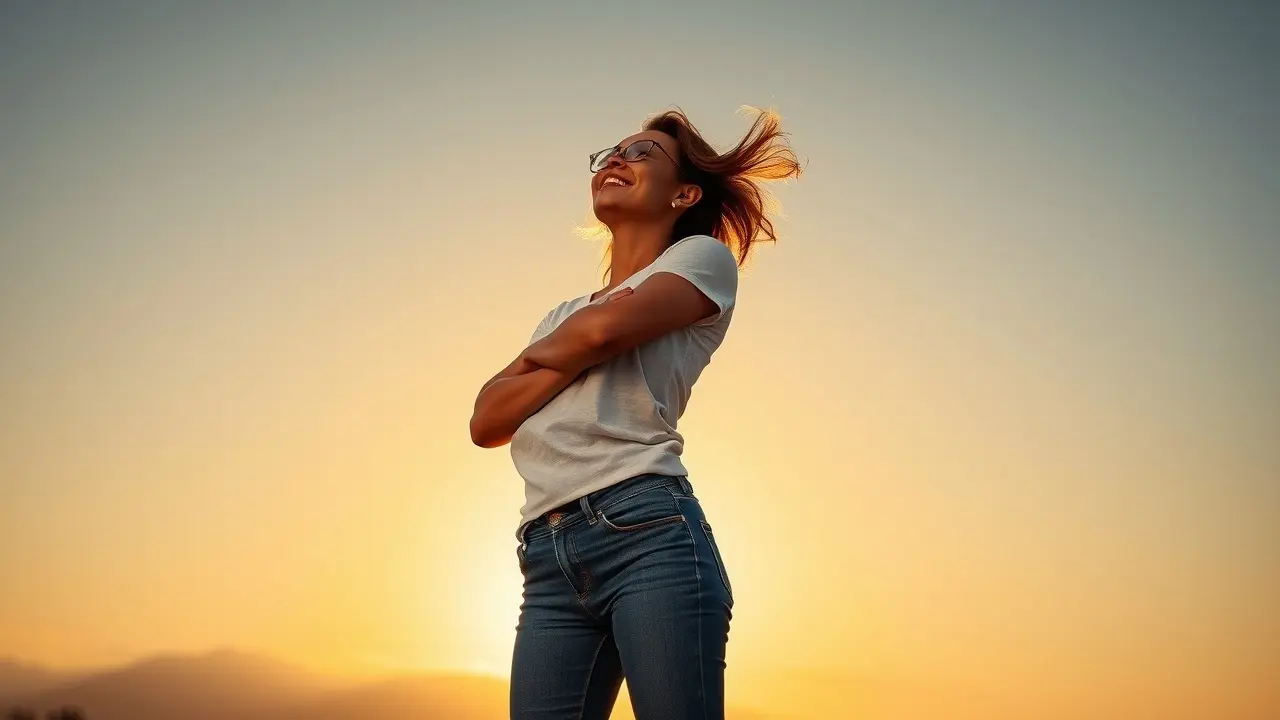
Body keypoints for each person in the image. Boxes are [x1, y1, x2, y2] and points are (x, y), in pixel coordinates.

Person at [469, 107, 801, 720]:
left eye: (642, 152)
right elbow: (486, 420)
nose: (616, 159)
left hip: (647, 532)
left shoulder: (701, 260)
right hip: (546, 556)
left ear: (685, 192)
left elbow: (595, 338)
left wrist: (541, 365)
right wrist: (583, 339)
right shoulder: (562, 315)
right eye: (610, 152)